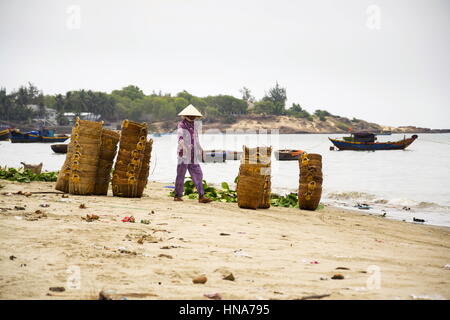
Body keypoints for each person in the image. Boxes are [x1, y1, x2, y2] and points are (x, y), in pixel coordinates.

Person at [174, 104, 212, 203]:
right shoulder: (181, 125)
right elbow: (180, 138)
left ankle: (201, 196)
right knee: (181, 175)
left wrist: (200, 149)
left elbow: (196, 139)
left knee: (198, 173)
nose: (193, 117)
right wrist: (184, 147)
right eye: (191, 115)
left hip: (193, 154)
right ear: (186, 115)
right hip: (184, 154)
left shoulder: (194, 125)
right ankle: (177, 195)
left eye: (194, 116)